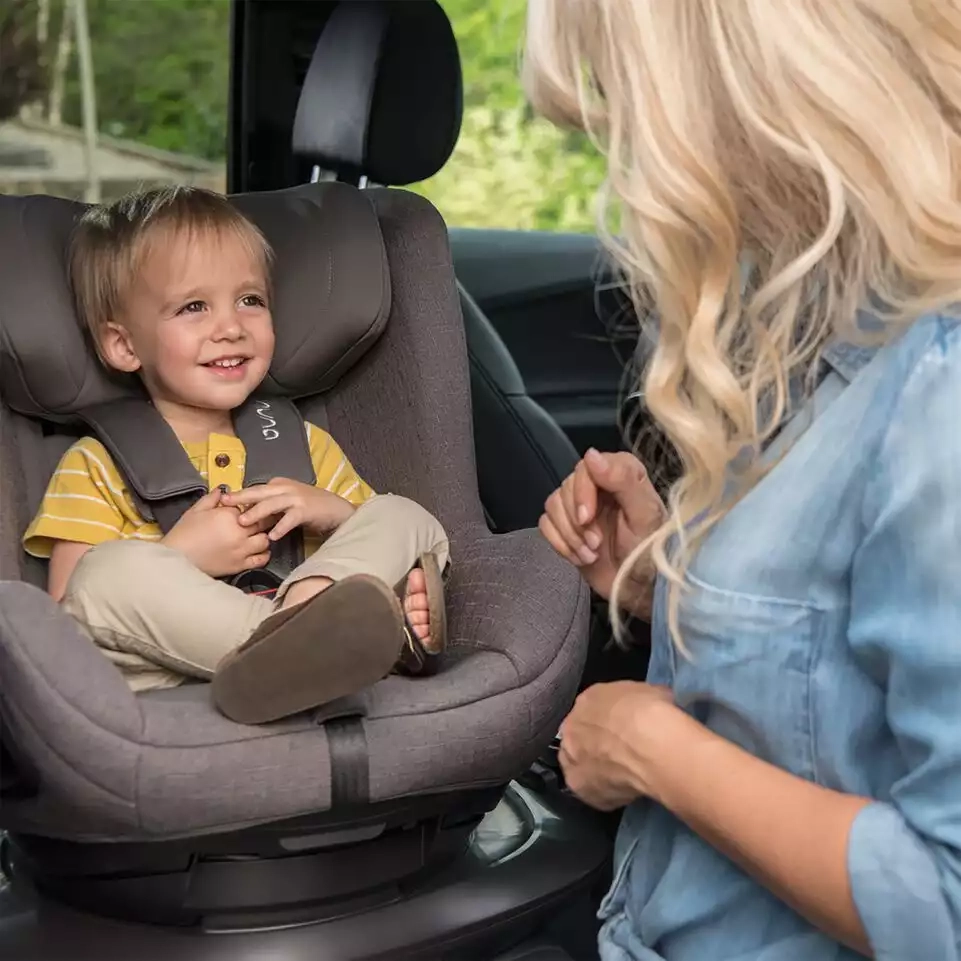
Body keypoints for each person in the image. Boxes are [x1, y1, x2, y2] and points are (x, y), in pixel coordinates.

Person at [527, 1, 961, 959]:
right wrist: (661, 577)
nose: (631, 166)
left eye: (629, 107)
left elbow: (948, 902)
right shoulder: (837, 328)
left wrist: (654, 752)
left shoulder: (938, 378)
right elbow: (837, 666)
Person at [23, 185, 449, 726]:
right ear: (125, 346)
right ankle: (322, 650)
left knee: (404, 517)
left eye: (251, 300)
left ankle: (297, 645)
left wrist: (333, 511)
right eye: (193, 307)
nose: (230, 327)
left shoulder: (304, 445)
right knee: (104, 573)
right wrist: (182, 555)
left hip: (297, 624)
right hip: (164, 664)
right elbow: (72, 610)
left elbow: (371, 551)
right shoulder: (97, 463)